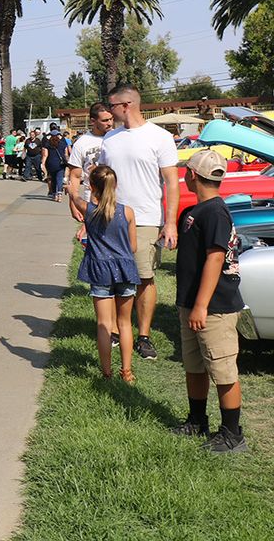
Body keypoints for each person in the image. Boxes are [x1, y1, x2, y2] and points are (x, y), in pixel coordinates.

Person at [171, 149, 247, 453]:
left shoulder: (215, 212)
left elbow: (215, 258)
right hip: (193, 304)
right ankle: (197, 420)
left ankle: (232, 433)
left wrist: (202, 305)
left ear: (192, 175)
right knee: (195, 365)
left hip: (214, 307)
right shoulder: (197, 211)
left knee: (223, 369)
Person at [98, 84, 179, 362]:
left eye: (111, 106)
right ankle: (116, 330)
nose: (108, 111)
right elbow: (103, 179)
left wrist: (170, 223)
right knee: (113, 276)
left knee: (144, 277)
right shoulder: (110, 138)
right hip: (110, 218)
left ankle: (143, 336)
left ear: (126, 105)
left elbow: (171, 182)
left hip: (145, 219)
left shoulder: (160, 137)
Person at [72, 166, 139, 382]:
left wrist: (75, 186)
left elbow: (74, 196)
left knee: (104, 324)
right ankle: (127, 371)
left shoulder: (88, 210)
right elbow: (133, 247)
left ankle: (107, 373)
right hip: (125, 271)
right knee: (125, 323)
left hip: (100, 270)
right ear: (115, 185)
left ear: (92, 187)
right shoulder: (128, 212)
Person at [41, 129, 67, 201]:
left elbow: (45, 155)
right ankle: (59, 194)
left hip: (51, 163)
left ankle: (54, 194)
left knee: (53, 179)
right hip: (60, 163)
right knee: (59, 178)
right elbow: (66, 154)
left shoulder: (47, 144)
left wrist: (43, 163)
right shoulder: (62, 143)